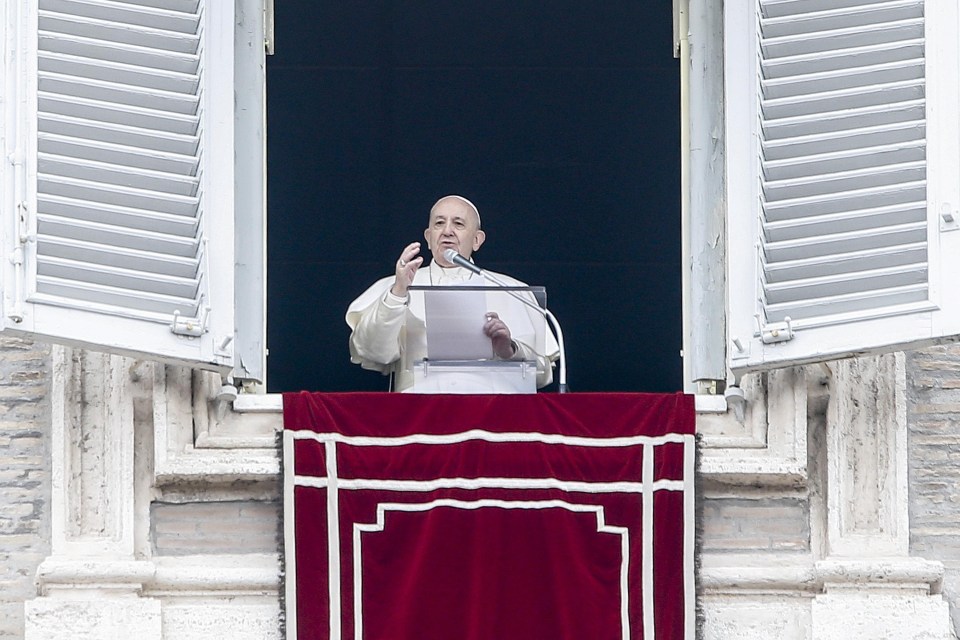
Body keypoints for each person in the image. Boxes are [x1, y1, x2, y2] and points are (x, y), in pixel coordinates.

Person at [346, 195, 559, 391]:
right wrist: (398, 293)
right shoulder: (396, 286)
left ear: (477, 240)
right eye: (439, 223)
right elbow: (372, 352)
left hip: (493, 415)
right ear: (429, 237)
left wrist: (509, 349)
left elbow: (542, 374)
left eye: (458, 223)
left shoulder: (511, 290)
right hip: (420, 416)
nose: (447, 231)